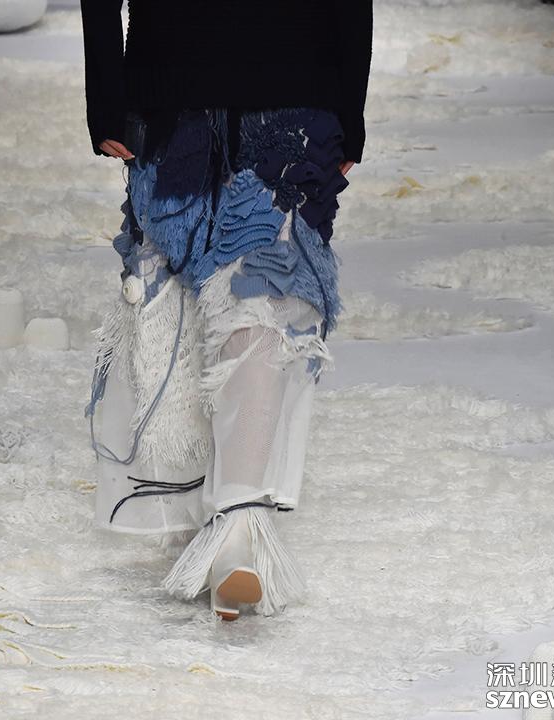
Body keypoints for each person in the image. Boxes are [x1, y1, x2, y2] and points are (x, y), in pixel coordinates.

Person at [81, 0, 373, 621]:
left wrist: (107, 92)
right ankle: (234, 518)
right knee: (257, 290)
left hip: (182, 70)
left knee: (242, 287)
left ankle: (233, 521)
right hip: (280, 74)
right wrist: (349, 100)